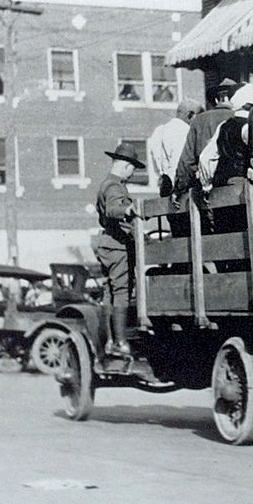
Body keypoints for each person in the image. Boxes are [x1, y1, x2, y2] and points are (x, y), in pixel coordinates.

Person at [94, 142, 146, 356]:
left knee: (110, 292)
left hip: (108, 244)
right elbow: (113, 209)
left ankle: (109, 341)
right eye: (133, 168)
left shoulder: (106, 184)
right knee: (122, 291)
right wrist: (129, 209)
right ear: (125, 165)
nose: (133, 173)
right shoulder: (115, 186)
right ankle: (121, 343)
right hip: (118, 246)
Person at [172, 79, 237, 197]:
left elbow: (186, 162)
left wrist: (180, 188)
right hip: (236, 189)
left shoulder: (199, 120)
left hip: (205, 190)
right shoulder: (240, 118)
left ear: (217, 99)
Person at [149, 99, 202, 197]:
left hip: (165, 184)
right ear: (190, 115)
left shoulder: (160, 130)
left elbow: (156, 161)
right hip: (180, 188)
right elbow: (180, 162)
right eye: (198, 117)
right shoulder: (184, 131)